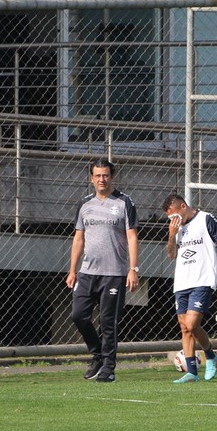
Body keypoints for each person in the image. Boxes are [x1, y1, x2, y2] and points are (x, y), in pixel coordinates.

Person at [66, 159, 140, 383]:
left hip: (114, 273)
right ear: (91, 178)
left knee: (108, 322)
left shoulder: (124, 202)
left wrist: (133, 269)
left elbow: (132, 236)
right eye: (97, 176)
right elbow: (79, 238)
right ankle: (97, 354)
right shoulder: (84, 204)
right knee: (78, 315)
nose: (101, 179)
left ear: (112, 176)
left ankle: (109, 368)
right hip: (88, 272)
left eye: (105, 175)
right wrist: (72, 270)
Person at [161, 193, 217, 383]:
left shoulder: (205, 219)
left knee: (192, 324)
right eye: (170, 218)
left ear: (183, 207)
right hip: (182, 282)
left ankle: (210, 355)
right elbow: (171, 255)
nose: (173, 221)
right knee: (185, 328)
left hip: (202, 280)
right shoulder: (177, 229)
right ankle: (192, 372)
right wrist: (171, 235)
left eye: (174, 215)